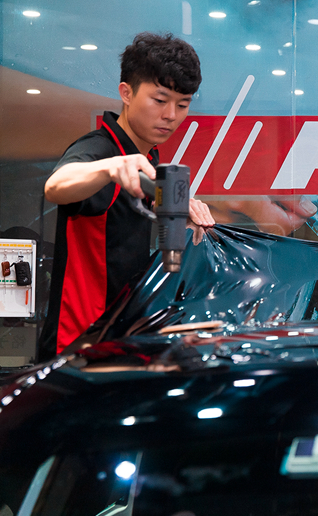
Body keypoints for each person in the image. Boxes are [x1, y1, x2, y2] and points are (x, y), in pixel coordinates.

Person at [40, 32, 215, 360]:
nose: (171, 115)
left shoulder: (148, 158)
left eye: (182, 104)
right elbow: (57, 185)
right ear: (126, 93)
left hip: (123, 340)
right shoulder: (100, 149)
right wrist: (109, 168)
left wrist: (182, 210)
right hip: (78, 349)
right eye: (160, 100)